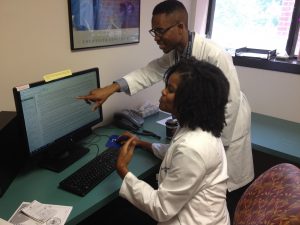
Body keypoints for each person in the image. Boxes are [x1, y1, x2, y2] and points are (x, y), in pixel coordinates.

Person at [78, 0, 254, 194]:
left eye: (160, 31)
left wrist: (213, 150)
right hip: (200, 132)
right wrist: (111, 89)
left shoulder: (215, 55)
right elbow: (149, 72)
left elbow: (230, 103)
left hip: (224, 127)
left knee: (215, 189)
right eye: (154, 32)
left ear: (180, 27)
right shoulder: (176, 54)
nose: (156, 38)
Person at [116, 57, 231, 225]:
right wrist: (143, 144)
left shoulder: (193, 148)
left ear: (191, 100)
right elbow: (175, 153)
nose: (163, 92)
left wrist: (122, 169)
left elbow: (161, 208)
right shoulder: (199, 125)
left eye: (170, 89)